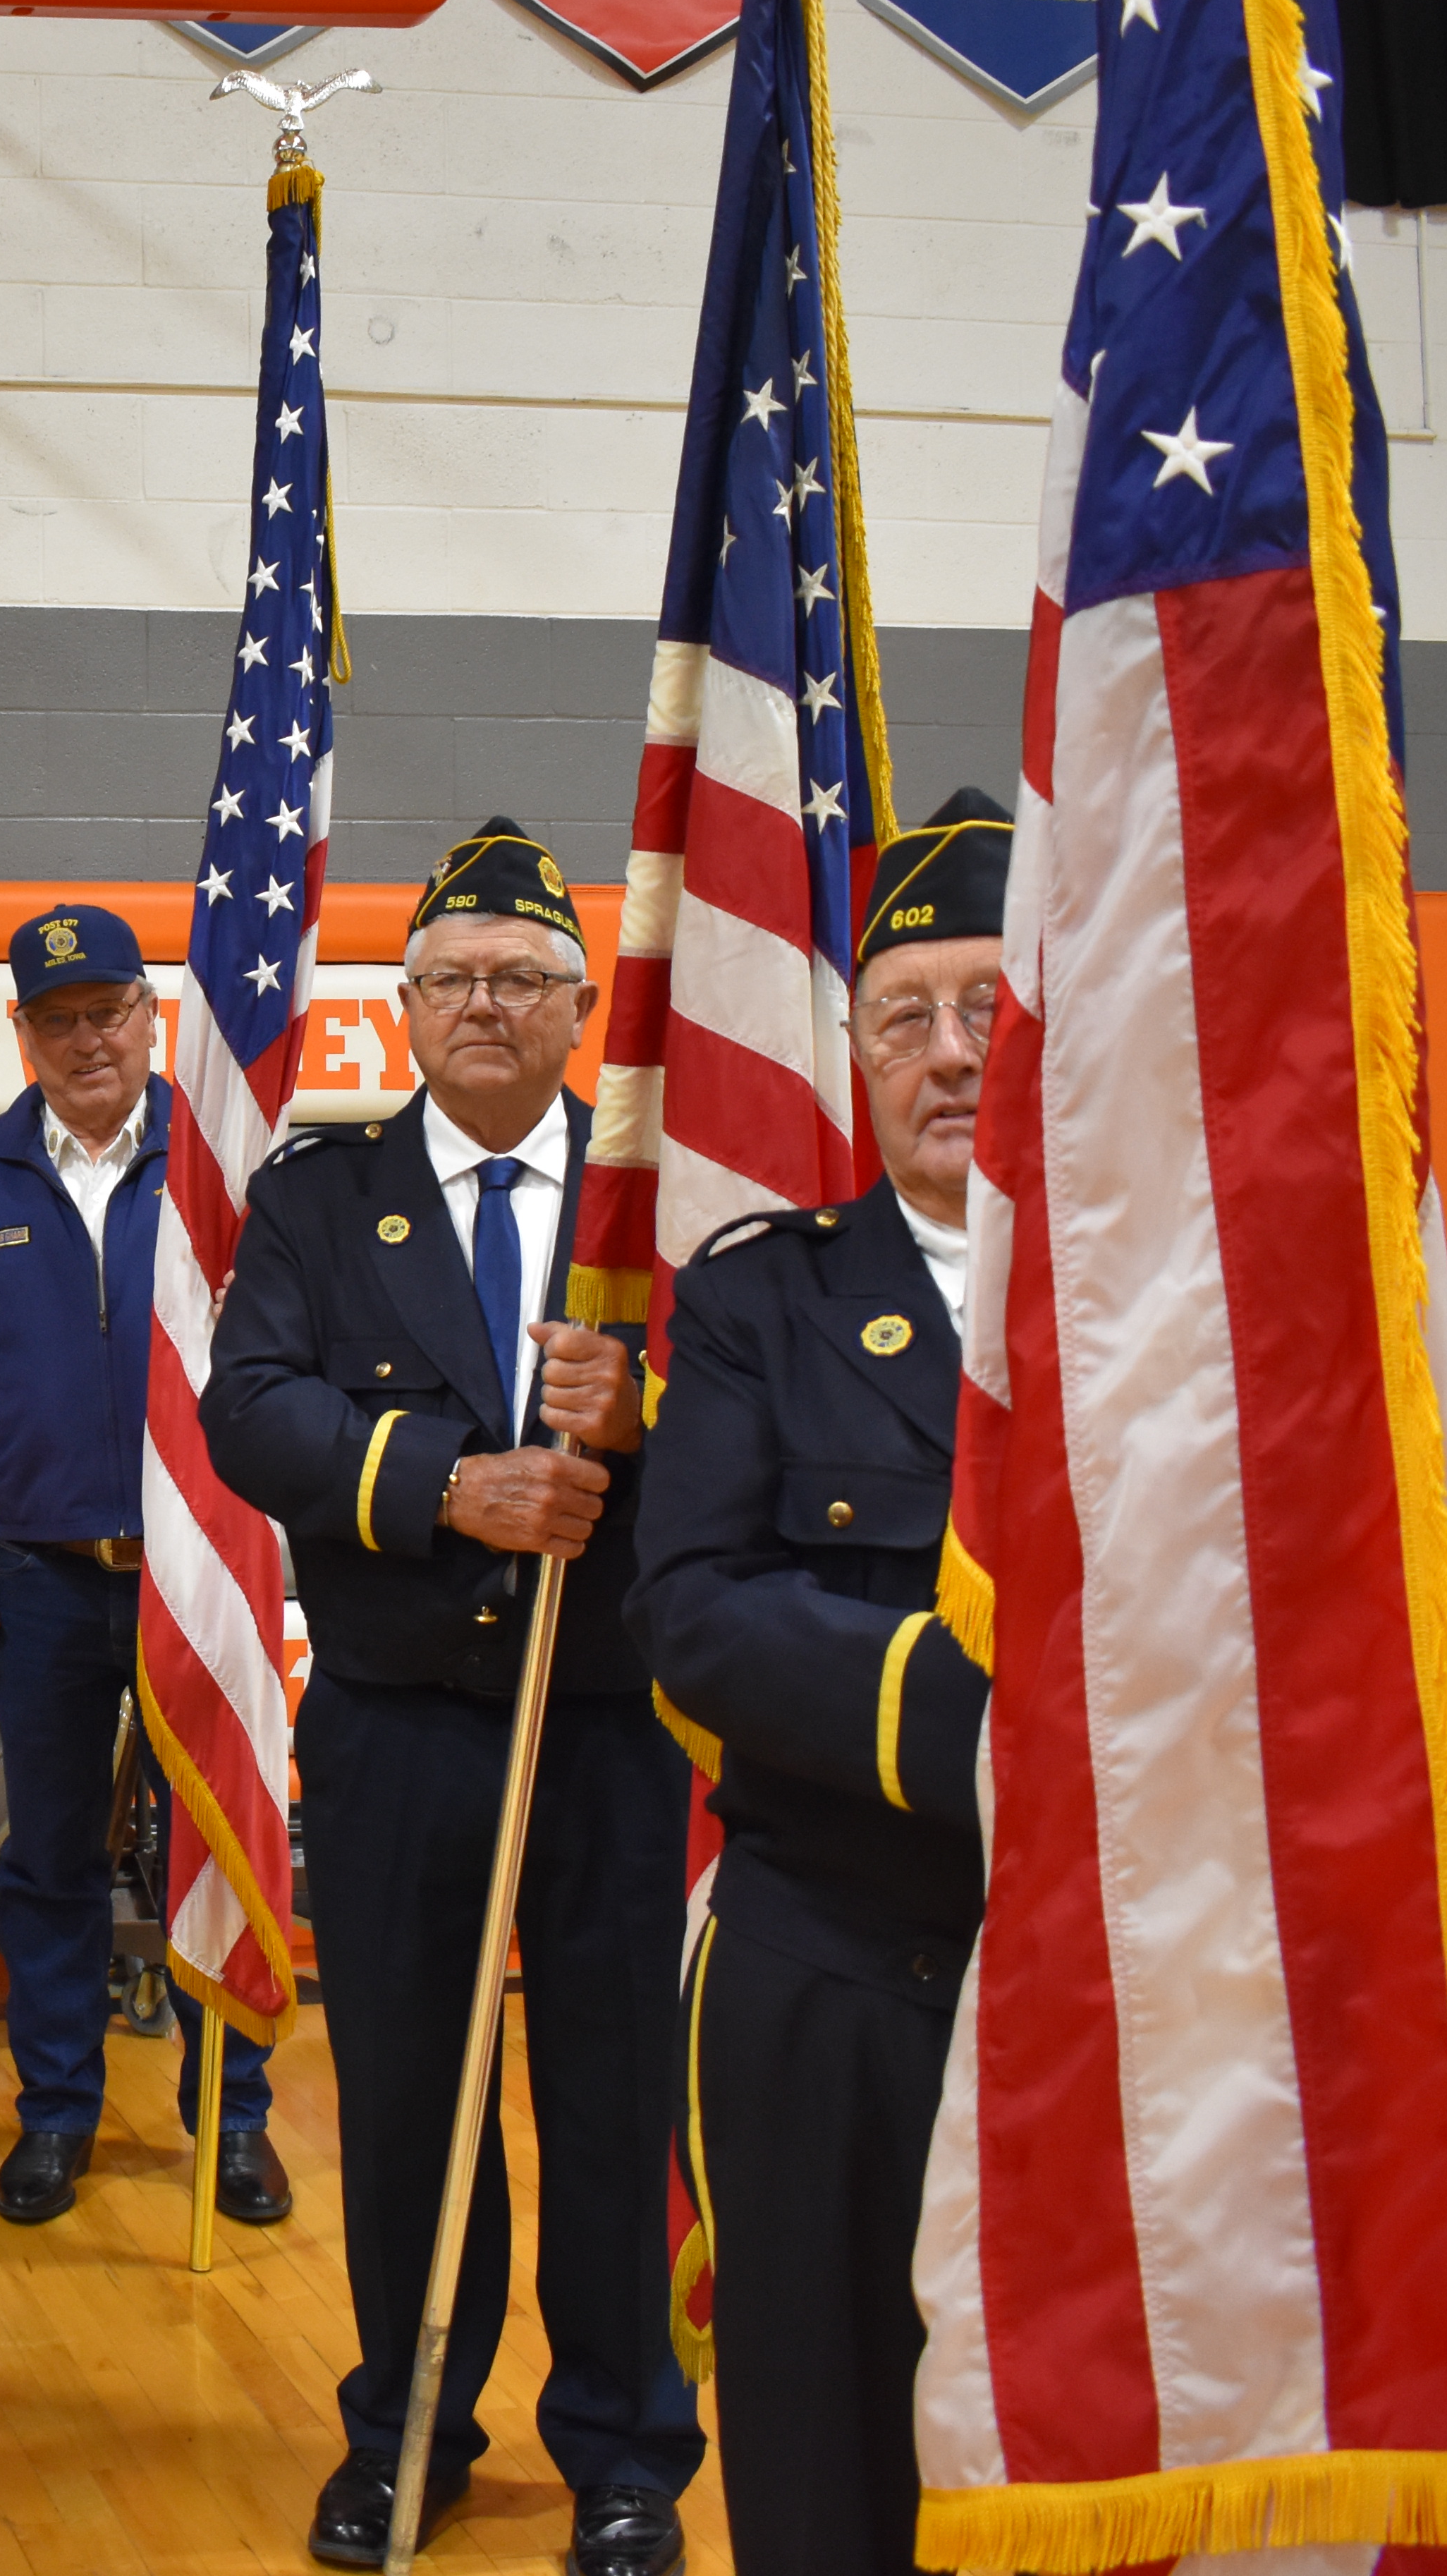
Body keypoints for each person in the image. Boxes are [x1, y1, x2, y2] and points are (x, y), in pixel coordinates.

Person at [202, 818, 702, 2576]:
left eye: (522, 977)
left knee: (617, 2091)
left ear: (583, 1009)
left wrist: (644, 1417)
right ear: (403, 1009)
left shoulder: (665, 1212)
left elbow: (758, 1429)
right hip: (403, 1727)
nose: (484, 1002)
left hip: (612, 1730)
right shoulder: (321, 1201)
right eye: (452, 977)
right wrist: (440, 1480)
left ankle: (630, 2451)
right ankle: (406, 2427)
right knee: (416, 2096)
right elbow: (247, 1408)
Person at [628, 789, 1007, 2576]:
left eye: (991, 1014)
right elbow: (694, 1606)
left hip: (1118, 2002)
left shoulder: (1183, 1316)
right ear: (852, 1046)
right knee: (825, 2472)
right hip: (835, 1982)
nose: (950, 1054)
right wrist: (1000, 1736)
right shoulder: (764, 1301)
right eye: (906, 1015)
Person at [0, 899, 284, 2231]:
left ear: (151, 1016)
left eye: (106, 1011)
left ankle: (229, 2121)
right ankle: (55, 2116)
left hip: (199, 1573)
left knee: (210, 1851)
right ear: (23, 1033)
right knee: (49, 1860)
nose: (84, 1038)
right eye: (55, 1019)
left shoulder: (223, 1170)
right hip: (41, 1579)